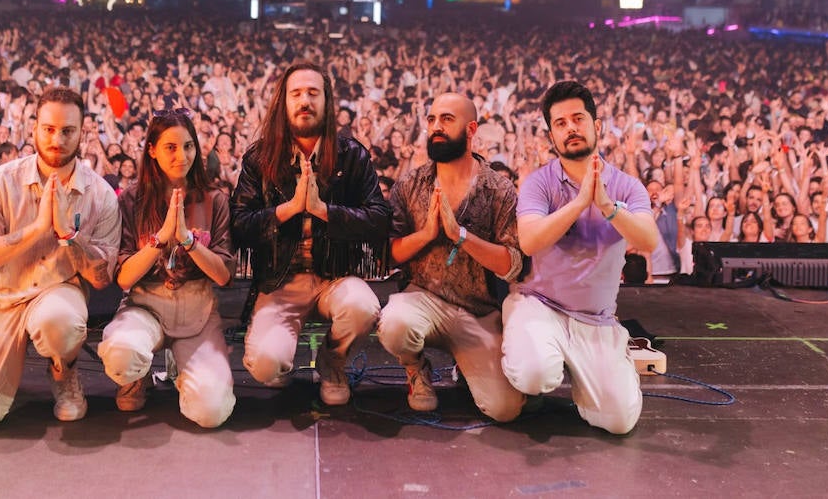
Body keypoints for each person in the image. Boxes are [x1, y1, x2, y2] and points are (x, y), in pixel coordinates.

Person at [0, 87, 121, 432]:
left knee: (61, 324)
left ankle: (64, 371)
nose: (57, 139)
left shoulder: (100, 195)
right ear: (34, 129)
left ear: (82, 132)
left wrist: (67, 236)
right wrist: (37, 229)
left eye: (68, 130)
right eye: (48, 129)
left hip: (56, 291)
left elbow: (102, 278)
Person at [501, 80, 659, 435]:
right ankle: (533, 358)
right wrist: (578, 203)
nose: (570, 128)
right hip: (541, 306)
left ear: (597, 126)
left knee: (619, 423)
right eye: (560, 123)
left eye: (578, 118)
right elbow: (528, 241)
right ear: (551, 137)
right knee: (534, 374)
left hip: (595, 319)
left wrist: (604, 204)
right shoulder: (539, 183)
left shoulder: (627, 187)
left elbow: (648, 240)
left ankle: (593, 371)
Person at [231, 62, 390, 406]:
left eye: (313, 93)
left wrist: (324, 211)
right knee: (265, 367)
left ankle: (332, 362)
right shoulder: (259, 159)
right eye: (297, 93)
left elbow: (379, 219)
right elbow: (239, 225)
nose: (305, 101)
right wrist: (288, 209)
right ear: (283, 102)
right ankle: (283, 360)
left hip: (335, 277)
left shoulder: (352, 154)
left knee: (363, 307)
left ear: (327, 103)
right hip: (280, 281)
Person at [377, 93, 524, 420]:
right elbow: (389, 254)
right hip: (422, 300)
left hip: (477, 312)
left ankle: (465, 365)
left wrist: (461, 235)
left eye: (446, 119)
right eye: (431, 120)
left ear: (471, 129)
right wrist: (428, 234)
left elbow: (512, 265)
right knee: (393, 325)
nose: (436, 127)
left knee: (505, 410)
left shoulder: (498, 189)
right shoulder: (410, 184)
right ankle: (415, 368)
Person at [99, 109, 236, 428]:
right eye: (171, 147)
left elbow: (223, 275)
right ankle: (137, 374)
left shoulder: (214, 200)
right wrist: (161, 239)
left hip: (197, 311)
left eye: (188, 146)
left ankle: (183, 367)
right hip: (145, 307)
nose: (182, 155)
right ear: (152, 150)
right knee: (121, 355)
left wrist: (188, 240)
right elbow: (125, 278)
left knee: (211, 411)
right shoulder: (132, 200)